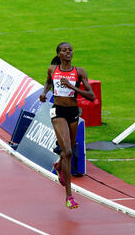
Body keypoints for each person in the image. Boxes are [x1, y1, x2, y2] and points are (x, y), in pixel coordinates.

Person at [39, 42, 95, 209]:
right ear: (59, 54)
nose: (68, 52)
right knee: (68, 151)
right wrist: (44, 93)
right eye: (64, 50)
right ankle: (69, 197)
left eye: (70, 50)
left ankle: (58, 165)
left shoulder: (79, 72)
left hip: (73, 113)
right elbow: (48, 83)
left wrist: (72, 86)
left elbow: (91, 96)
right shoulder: (52, 70)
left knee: (68, 150)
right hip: (58, 112)